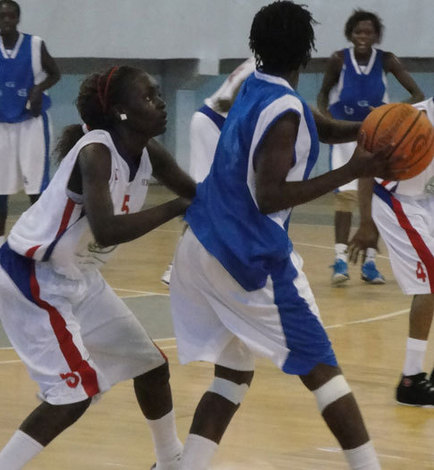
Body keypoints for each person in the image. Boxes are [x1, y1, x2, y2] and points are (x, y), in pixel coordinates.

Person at [168, 2, 405, 469]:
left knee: (233, 371)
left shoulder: (260, 88)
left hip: (199, 247)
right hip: (245, 256)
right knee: (322, 368)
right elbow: (269, 197)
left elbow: (327, 126)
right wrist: (353, 170)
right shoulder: (285, 113)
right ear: (308, 51)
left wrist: (377, 130)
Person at [0, 65, 196, 470]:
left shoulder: (148, 152)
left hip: (77, 277)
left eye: (157, 94)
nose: (160, 103)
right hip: (30, 277)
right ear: (120, 111)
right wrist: (175, 208)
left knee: (151, 366)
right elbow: (107, 229)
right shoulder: (96, 152)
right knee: (74, 393)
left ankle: (170, 462)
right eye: (148, 97)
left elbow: (196, 194)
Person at [317, 8, 424, 285]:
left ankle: (371, 264)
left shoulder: (387, 60)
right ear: (350, 34)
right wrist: (327, 122)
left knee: (374, 198)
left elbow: (418, 94)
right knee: (346, 196)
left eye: (368, 32)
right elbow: (322, 94)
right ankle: (340, 259)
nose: (363, 36)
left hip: (376, 137)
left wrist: (394, 114)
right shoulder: (338, 60)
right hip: (344, 134)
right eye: (358, 31)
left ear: (376, 35)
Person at [349, 97, 434, 406]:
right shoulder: (407, 118)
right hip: (395, 199)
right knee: (431, 280)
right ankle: (411, 380)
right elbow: (365, 163)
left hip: (427, 199)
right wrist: (367, 222)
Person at [161, 57, 255, 285]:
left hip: (214, 124)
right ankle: (176, 267)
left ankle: (230, 259)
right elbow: (244, 89)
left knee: (232, 195)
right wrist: (233, 102)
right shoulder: (269, 61)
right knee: (202, 198)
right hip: (213, 125)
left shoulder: (259, 57)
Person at [0, 0, 61, 271]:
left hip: (31, 123)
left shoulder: (35, 44)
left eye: (11, 15)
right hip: (2, 125)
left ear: (18, 17)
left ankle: (40, 246)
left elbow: (55, 73)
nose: (7, 19)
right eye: (2, 15)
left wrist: (39, 89)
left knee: (36, 190)